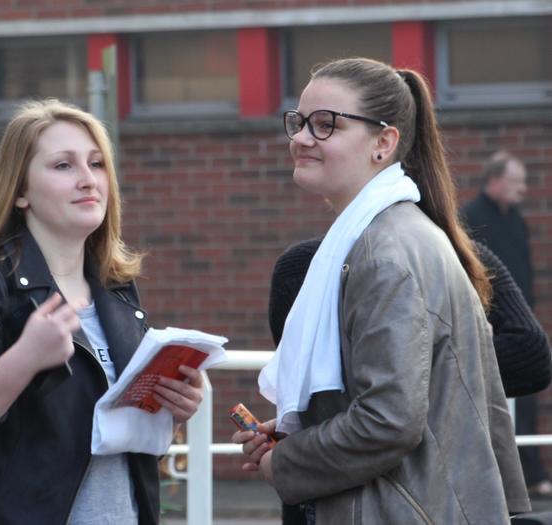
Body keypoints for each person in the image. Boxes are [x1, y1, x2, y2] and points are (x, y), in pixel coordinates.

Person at [232, 58, 530, 524]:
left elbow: (387, 421)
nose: (301, 138)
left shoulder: (382, 253)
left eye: (326, 125)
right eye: (299, 121)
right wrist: (305, 432)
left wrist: (285, 462)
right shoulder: (393, 235)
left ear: (384, 142)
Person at [0, 99, 203, 525]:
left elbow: (113, 439)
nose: (88, 180)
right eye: (63, 166)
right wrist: (24, 359)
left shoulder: (117, 289)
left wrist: (172, 409)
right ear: (20, 192)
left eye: (97, 164)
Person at [269, 237, 551, 525]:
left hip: (430, 482)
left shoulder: (457, 252)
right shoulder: (305, 265)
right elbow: (310, 386)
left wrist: (416, 368)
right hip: (346, 480)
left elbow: (532, 356)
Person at [463, 151, 552, 498]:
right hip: (488, 329)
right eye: (516, 182)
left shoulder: (515, 219)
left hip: (518, 326)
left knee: (526, 402)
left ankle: (530, 473)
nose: (522, 189)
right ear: (495, 181)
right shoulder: (471, 219)